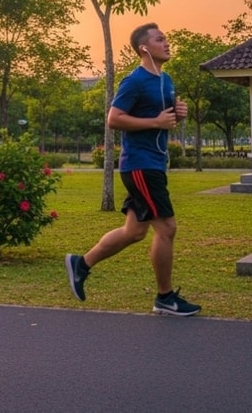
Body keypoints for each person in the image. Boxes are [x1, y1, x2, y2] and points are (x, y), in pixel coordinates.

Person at [65, 22, 201, 316]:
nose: (167, 43)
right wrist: (156, 122)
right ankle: (165, 298)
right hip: (140, 164)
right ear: (144, 48)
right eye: (160, 39)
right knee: (167, 228)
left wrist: (178, 114)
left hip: (153, 163)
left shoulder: (166, 80)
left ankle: (81, 263)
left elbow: (163, 120)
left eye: (166, 38)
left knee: (134, 231)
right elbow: (114, 119)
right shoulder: (134, 81)